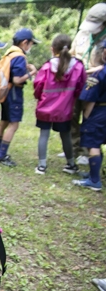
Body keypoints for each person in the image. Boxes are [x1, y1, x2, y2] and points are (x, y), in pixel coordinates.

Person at [33, 33, 86, 175]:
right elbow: (81, 87)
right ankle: (71, 164)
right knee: (66, 135)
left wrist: (39, 98)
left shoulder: (47, 66)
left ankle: (42, 166)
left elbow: (38, 85)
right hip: (65, 110)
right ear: (70, 48)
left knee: (44, 135)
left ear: (52, 49)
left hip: (45, 108)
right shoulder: (78, 66)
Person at [0, 28, 39, 167]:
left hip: (5, 92)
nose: (31, 46)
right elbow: (17, 79)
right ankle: (1, 155)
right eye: (31, 43)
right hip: (13, 94)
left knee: (3, 121)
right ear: (25, 42)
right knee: (13, 124)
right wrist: (32, 72)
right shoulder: (19, 56)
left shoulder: (9, 53)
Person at [69, 2, 106, 164]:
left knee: (89, 116)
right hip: (76, 82)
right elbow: (72, 53)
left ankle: (87, 150)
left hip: (96, 84)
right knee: (72, 114)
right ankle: (73, 147)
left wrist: (91, 71)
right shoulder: (82, 34)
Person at [72, 40, 106, 192]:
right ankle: (94, 173)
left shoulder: (99, 74)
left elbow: (90, 99)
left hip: (99, 112)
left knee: (93, 144)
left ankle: (94, 180)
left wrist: (86, 116)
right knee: (99, 142)